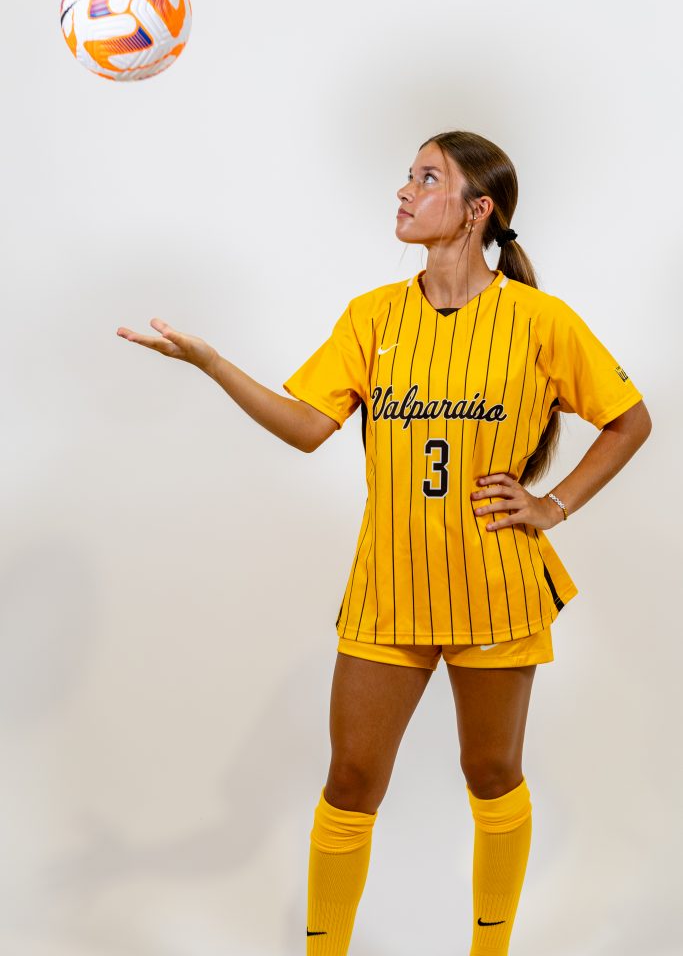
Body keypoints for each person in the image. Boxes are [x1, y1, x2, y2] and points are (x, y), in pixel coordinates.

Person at [116, 129, 652, 955]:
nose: (403, 190)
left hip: (494, 585)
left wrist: (553, 505)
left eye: (425, 178)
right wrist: (214, 365)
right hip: (387, 587)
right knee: (352, 782)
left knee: (491, 775)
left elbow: (629, 419)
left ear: (479, 211)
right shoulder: (374, 317)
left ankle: (489, 949)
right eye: (406, 175)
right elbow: (306, 428)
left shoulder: (539, 321)